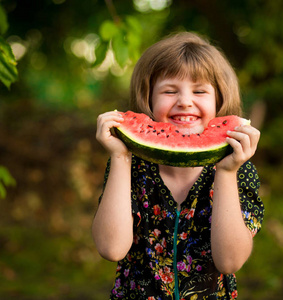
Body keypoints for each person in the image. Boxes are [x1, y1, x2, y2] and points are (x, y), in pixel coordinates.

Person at [93, 32, 264, 299]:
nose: (185, 101)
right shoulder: (133, 167)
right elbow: (111, 248)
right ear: (148, 99)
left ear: (219, 100)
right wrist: (120, 157)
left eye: (200, 91)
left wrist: (228, 172)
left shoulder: (239, 170)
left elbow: (230, 262)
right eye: (170, 91)